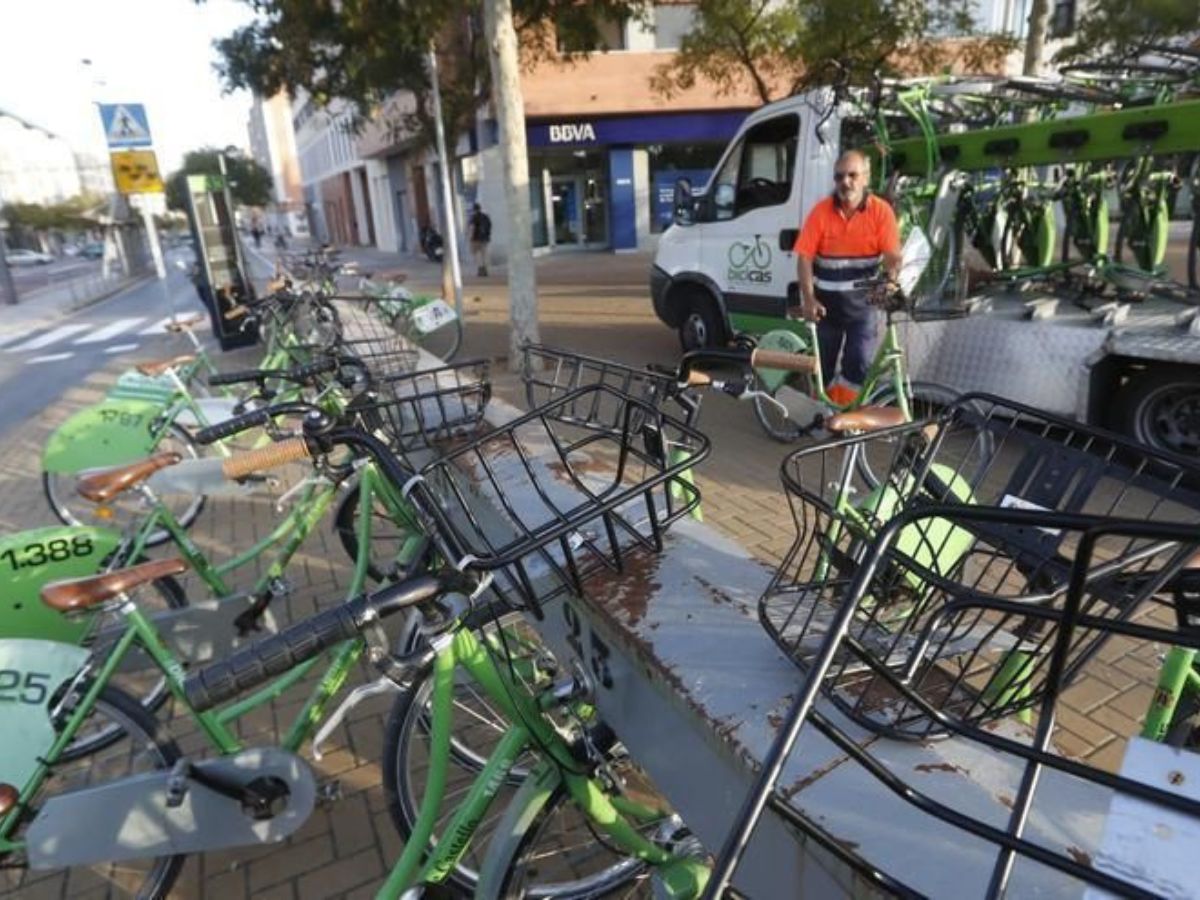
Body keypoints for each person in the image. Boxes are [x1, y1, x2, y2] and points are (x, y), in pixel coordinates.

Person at [793, 149, 901, 404]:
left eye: (853, 175)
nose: (845, 182)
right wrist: (808, 299)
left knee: (859, 364)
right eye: (839, 176)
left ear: (866, 178)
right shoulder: (821, 212)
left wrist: (891, 279)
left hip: (863, 307)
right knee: (823, 367)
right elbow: (804, 258)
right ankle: (825, 412)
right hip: (826, 309)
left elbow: (893, 256)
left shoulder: (881, 212)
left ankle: (845, 414)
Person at [469, 202, 492, 277]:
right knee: (484, 254)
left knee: (476, 254)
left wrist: (470, 238)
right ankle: (486, 269)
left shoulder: (474, 217)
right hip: (485, 239)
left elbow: (472, 228)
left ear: (474, 209)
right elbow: (490, 226)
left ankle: (480, 268)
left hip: (476, 239)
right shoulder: (486, 216)